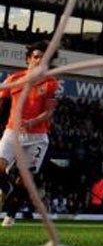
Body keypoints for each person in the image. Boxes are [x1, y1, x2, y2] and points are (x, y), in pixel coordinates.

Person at [0, 41, 60, 227]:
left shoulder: (51, 83)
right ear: (28, 60)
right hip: (12, 131)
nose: (40, 60)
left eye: (44, 58)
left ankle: (10, 215)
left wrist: (31, 122)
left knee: (25, 180)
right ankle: (5, 187)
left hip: (37, 136)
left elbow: (49, 112)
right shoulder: (13, 79)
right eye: (36, 57)